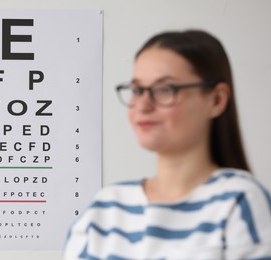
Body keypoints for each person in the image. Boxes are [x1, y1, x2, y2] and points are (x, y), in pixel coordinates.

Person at [64, 30, 271, 259]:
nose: (143, 105)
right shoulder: (105, 208)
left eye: (165, 89)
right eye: (137, 90)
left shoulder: (239, 201)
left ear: (216, 100)